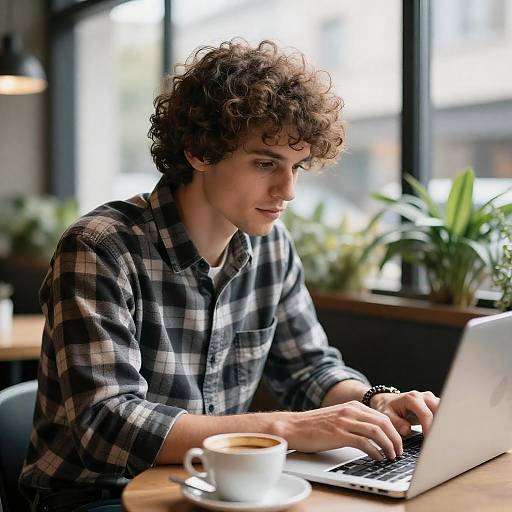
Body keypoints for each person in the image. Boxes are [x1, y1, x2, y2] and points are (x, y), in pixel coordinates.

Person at [19, 39, 439, 511]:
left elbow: (309, 369)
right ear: (200, 151)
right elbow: (107, 424)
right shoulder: (100, 247)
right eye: (265, 163)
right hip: (95, 495)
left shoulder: (272, 245)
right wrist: (287, 427)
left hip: (218, 485)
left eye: (297, 167)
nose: (288, 190)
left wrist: (373, 401)